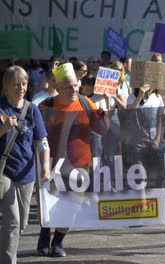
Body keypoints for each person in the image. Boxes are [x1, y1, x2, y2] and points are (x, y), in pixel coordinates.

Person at [37, 62, 109, 257]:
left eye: (76, 84)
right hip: (51, 165)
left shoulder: (86, 103)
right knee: (48, 205)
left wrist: (103, 117)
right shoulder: (46, 106)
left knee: (72, 207)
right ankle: (44, 234)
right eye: (69, 86)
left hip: (79, 165)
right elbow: (35, 134)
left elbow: (102, 130)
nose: (74, 88)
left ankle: (58, 242)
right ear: (58, 87)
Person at [0, 66, 50, 264]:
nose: (21, 87)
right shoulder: (0, 108)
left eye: (24, 83)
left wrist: (45, 166)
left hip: (27, 174)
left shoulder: (32, 109)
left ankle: (4, 246)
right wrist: (4, 128)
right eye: (16, 84)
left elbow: (42, 141)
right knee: (12, 221)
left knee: (21, 224)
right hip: (4, 172)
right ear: (6, 86)